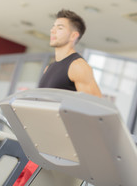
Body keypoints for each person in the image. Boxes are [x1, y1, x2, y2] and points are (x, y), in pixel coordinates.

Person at [14, 9, 102, 186]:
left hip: (58, 150)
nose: (53, 31)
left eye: (60, 27)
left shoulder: (78, 66)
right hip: (38, 143)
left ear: (73, 35)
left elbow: (97, 112)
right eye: (53, 27)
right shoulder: (50, 68)